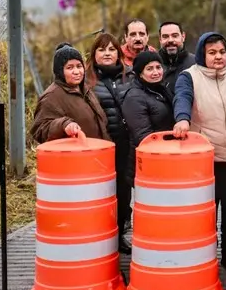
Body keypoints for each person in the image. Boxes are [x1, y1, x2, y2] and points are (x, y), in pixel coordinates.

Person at [173, 31, 226, 272]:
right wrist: (182, 119)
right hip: (205, 158)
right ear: (201, 55)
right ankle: (202, 254)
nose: (218, 57)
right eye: (212, 53)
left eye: (222, 52)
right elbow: (182, 98)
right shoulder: (190, 77)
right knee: (204, 210)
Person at [87, 32, 135, 252]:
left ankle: (119, 237)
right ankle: (101, 239)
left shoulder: (130, 76)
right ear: (94, 54)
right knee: (102, 194)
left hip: (126, 146)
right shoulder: (87, 80)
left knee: (124, 194)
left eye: (111, 49)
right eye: (102, 49)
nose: (107, 54)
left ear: (118, 53)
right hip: (101, 146)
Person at [31, 43, 109, 143]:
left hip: (97, 153)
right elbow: (39, 130)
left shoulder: (86, 89)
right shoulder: (51, 96)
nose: (76, 71)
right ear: (60, 71)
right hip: (73, 156)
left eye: (79, 66)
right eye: (70, 67)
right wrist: (63, 125)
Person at [119, 50, 175, 182]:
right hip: (149, 162)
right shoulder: (134, 97)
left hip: (167, 157)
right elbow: (143, 137)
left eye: (158, 67)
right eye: (149, 69)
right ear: (140, 73)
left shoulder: (162, 90)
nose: (156, 72)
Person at [158, 20, 195, 98]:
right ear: (160, 39)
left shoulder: (195, 64)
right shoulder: (152, 64)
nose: (170, 40)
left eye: (175, 36)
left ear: (183, 37)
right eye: (165, 36)